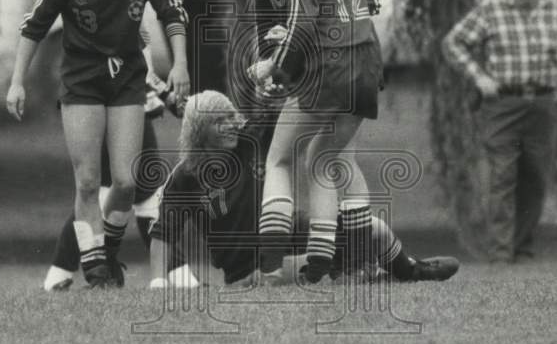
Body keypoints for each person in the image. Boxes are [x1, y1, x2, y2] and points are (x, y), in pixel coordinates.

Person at [7, 0, 190, 288]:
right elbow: (33, 27)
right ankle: (95, 268)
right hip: (82, 84)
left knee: (125, 182)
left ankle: (101, 253)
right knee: (88, 181)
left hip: (126, 84)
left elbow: (174, 12)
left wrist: (181, 65)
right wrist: (16, 83)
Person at [148, 91, 460, 287]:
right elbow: (162, 233)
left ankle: (411, 270)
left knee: (372, 228)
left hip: (290, 231)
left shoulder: (250, 141)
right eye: (220, 121)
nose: (232, 124)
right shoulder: (184, 177)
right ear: (200, 132)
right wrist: (159, 281)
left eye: (232, 116)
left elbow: (282, 110)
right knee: (321, 265)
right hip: (250, 268)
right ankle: (360, 273)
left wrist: (278, 81)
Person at [248, 0, 384, 284]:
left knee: (279, 157)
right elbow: (370, 2)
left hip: (331, 68)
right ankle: (320, 265)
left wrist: (273, 69)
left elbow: (303, 27)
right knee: (323, 159)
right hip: (367, 66)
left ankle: (270, 261)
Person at [442, 0, 557, 264]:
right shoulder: (491, 10)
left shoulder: (555, 10)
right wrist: (478, 76)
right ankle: (500, 251)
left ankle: (521, 245)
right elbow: (453, 43)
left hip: (542, 102)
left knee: (536, 176)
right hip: (502, 104)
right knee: (502, 175)